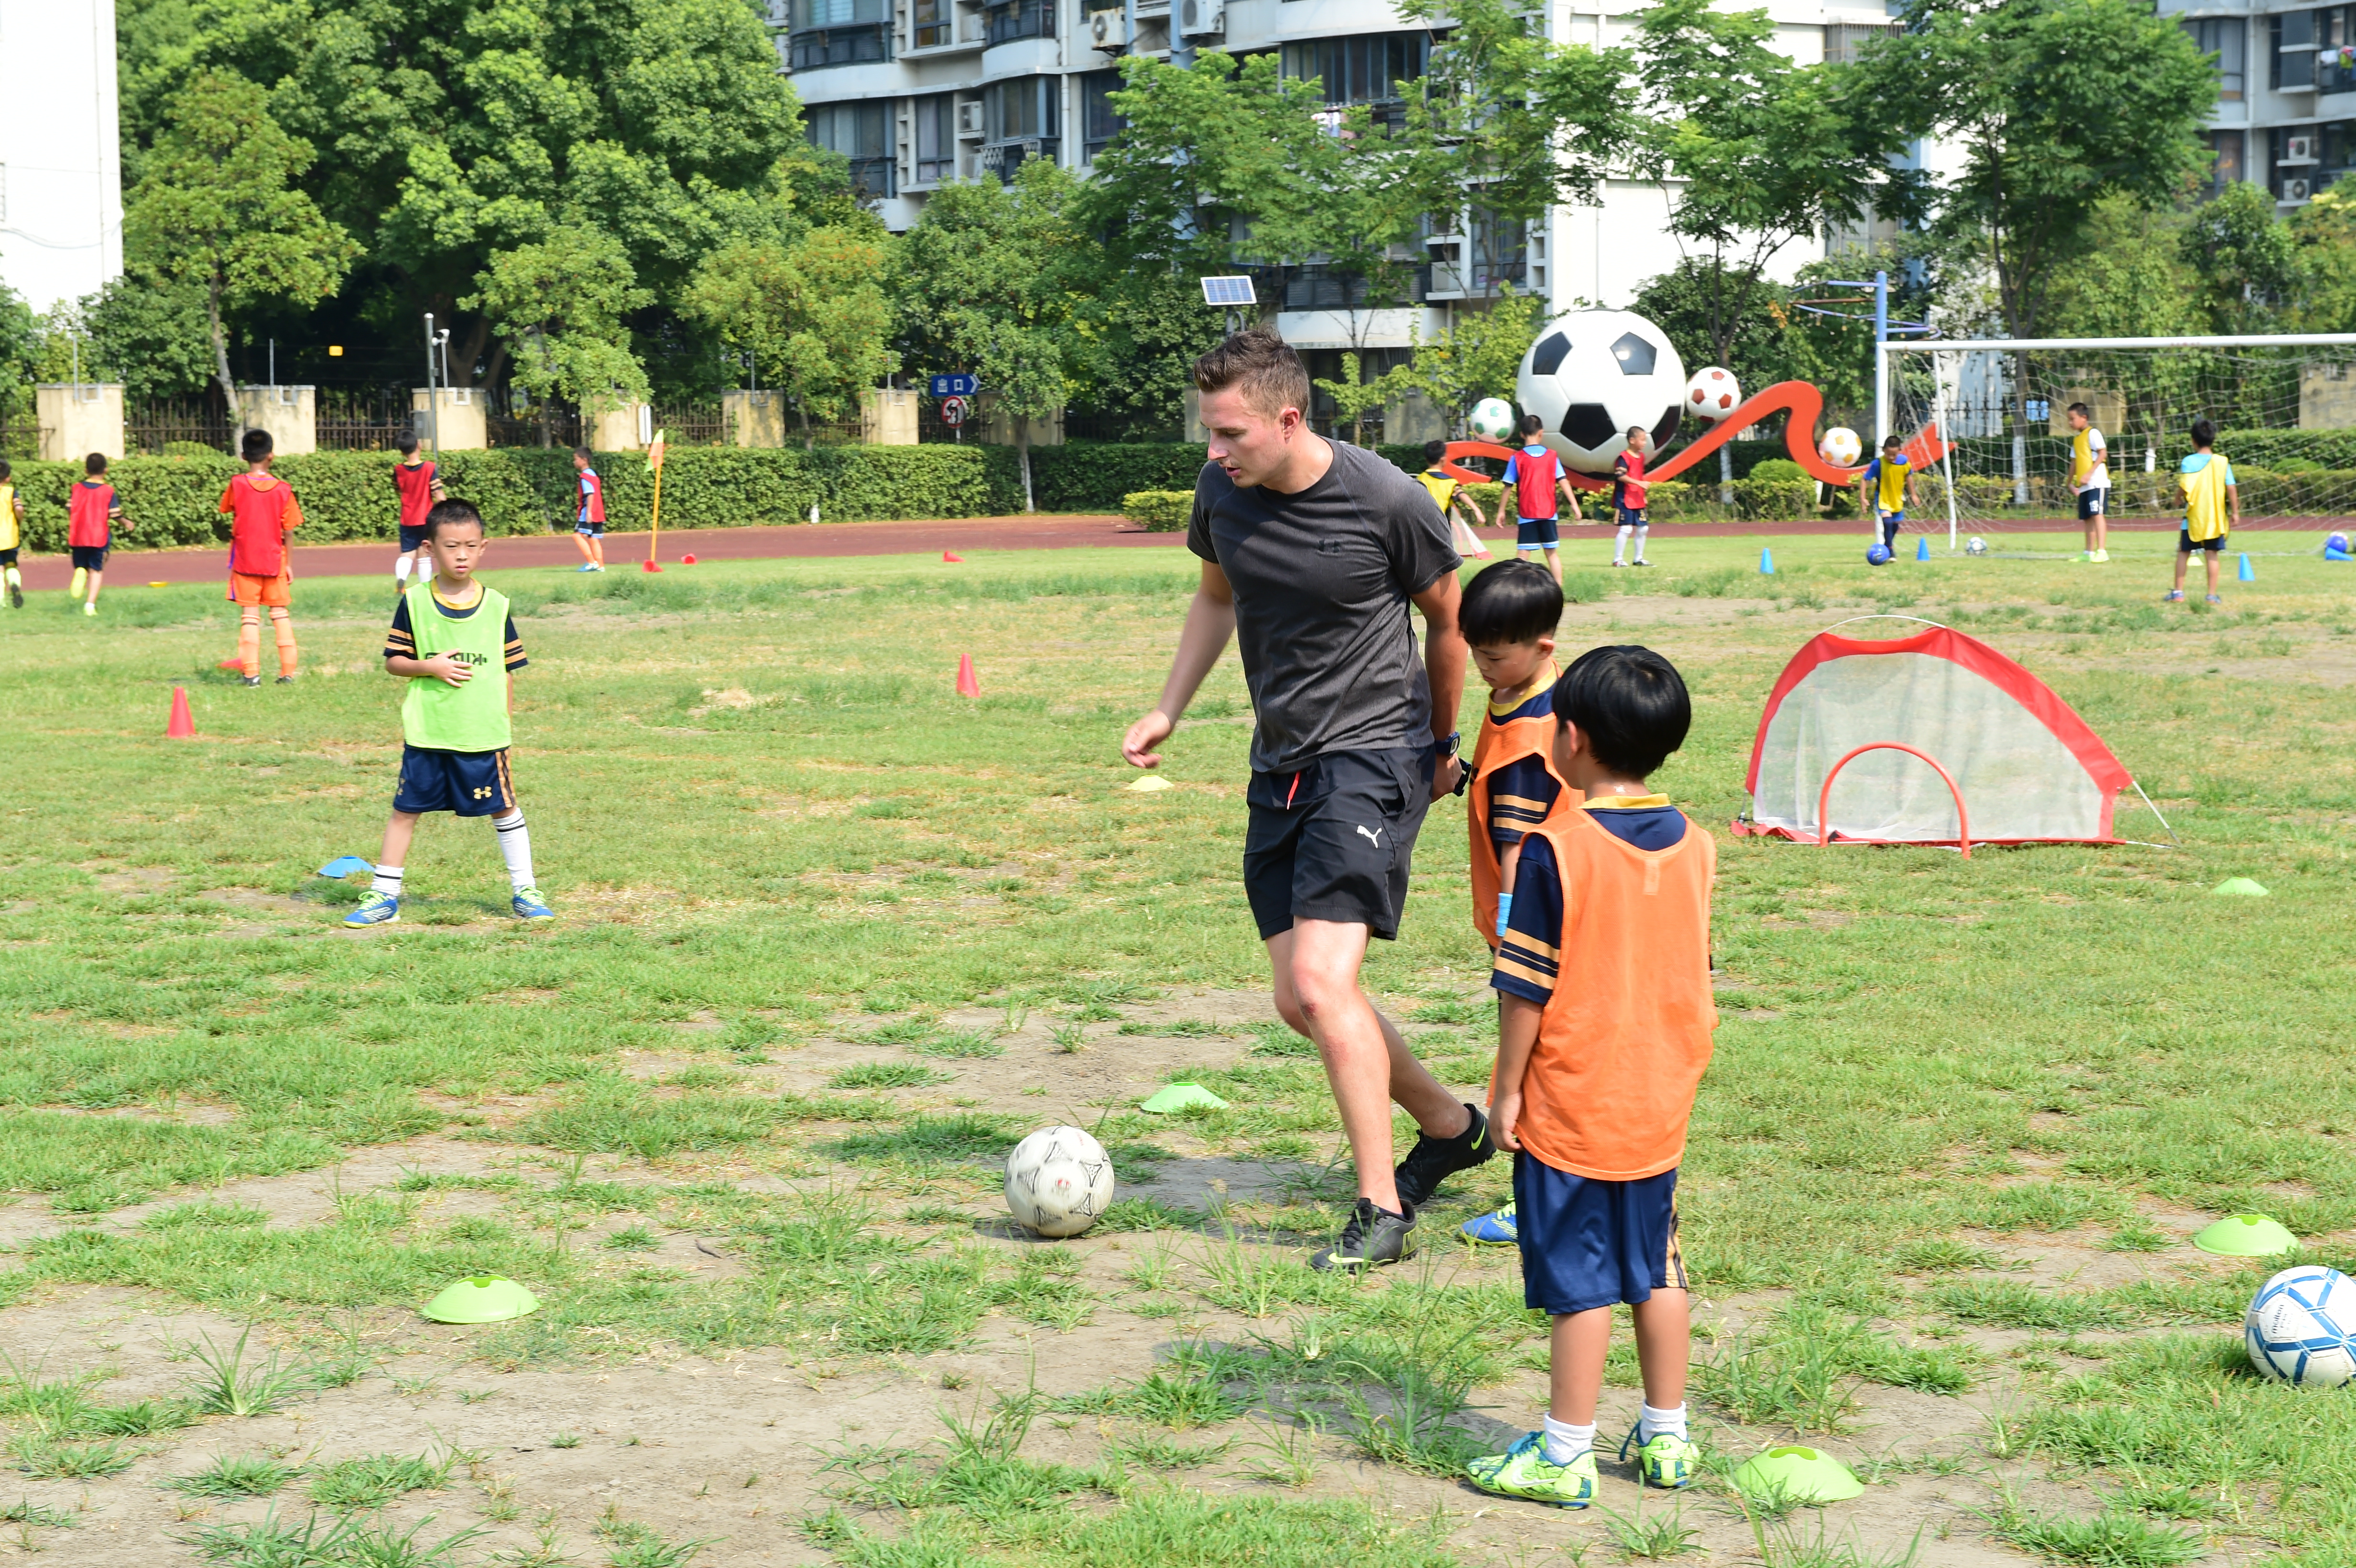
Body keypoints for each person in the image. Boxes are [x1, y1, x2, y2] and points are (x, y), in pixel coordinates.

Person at [1121, 328, 1485, 1272]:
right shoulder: (1222, 495)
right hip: (1278, 762)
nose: (1214, 452)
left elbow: (1447, 622)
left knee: (1324, 983)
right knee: (1301, 997)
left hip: (1374, 753)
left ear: (1289, 418)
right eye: (1209, 432)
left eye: (1231, 432)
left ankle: (1380, 1210)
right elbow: (1215, 599)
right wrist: (1169, 707)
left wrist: (1440, 745)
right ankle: (1451, 1125)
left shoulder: (1386, 499)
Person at [1464, 645, 1715, 1509]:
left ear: (1569, 739)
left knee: (1581, 1282)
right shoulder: (1697, 845)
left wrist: (1505, 1092)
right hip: (1659, 1096)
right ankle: (1666, 1438)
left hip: (1574, 1100)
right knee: (1657, 1267)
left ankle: (1563, 1454)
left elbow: (1523, 988)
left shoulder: (1552, 849)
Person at [346, 499, 554, 929]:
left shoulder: (497, 605)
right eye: (452, 546)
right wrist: (430, 665)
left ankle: (525, 890)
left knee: (506, 809)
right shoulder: (415, 602)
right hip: (429, 732)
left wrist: (505, 728)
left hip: (483, 736)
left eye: (471, 546)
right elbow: (393, 662)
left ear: (483, 548)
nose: (462, 555)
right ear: (429, 549)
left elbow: (509, 671)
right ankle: (384, 896)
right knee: (405, 811)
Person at [1455, 559, 1579, 1250]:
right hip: (1545, 919)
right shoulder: (1520, 695)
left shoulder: (1535, 739)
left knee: (1537, 1061)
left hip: (1536, 926)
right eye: (1475, 649)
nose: (1480, 665)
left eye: (1494, 655)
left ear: (1543, 648)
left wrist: (1511, 934)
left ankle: (1539, 1199)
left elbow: (1519, 846)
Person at [220, 428, 305, 686]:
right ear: (272, 456)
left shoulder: (237, 484)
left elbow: (227, 509)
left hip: (246, 562)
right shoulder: (283, 490)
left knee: (250, 617)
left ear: (244, 455)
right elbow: (289, 530)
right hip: (275, 561)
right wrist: (289, 564)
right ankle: (287, 673)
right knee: (280, 616)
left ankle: (251, 675)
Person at [1491, 415, 1579, 586]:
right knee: (1552, 554)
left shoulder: (1517, 458)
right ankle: (1558, 590)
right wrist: (1575, 505)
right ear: (1541, 433)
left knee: (1522, 556)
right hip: (1548, 513)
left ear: (1522, 434)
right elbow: (1563, 481)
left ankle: (1517, 590)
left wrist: (1501, 511)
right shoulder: (1552, 456)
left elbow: (1507, 486)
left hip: (1527, 514)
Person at [2169, 418, 2238, 606]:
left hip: (2193, 517)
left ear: (2194, 440)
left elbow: (2185, 486)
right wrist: (2236, 512)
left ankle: (2178, 593)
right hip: (2214, 518)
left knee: (2184, 552)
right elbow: (2231, 488)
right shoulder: (2222, 462)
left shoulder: (2188, 462)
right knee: (2212, 554)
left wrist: (2176, 499)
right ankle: (2211, 596)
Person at [66, 453, 124, 617]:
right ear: (106, 470)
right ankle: (90, 605)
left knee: (82, 564)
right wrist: (126, 522)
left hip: (78, 535)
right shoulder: (108, 491)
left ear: (86, 470)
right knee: (97, 570)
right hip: (98, 536)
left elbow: (70, 508)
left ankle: (80, 571)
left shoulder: (76, 488)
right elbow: (115, 514)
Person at [1416, 439, 1492, 561]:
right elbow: (1461, 495)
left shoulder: (1420, 479)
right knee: (1443, 558)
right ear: (1443, 459)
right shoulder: (1450, 482)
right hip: (1442, 527)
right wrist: (1477, 510)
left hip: (1422, 525)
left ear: (1426, 458)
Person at [391, 431, 447, 593]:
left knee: (407, 553)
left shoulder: (399, 470)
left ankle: (401, 581)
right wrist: (446, 509)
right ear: (419, 446)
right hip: (426, 517)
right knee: (424, 555)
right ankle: (425, 588)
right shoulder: (429, 468)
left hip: (407, 518)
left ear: (402, 452)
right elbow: (437, 492)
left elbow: (398, 489)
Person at [2067, 403, 2109, 563]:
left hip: (2097, 482)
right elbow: (2074, 462)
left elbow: (2102, 454)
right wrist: (2070, 482)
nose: (2070, 423)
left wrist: (2089, 473)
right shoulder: (2077, 439)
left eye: (2073, 419)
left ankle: (2102, 551)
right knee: (2088, 518)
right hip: (2085, 485)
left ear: (2084, 418)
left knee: (2097, 514)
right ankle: (2088, 553)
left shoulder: (2093, 433)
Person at [1860, 435, 1916, 555]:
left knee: (1895, 526)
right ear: (1883, 450)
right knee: (1888, 522)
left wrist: (1914, 495)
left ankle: (1887, 545)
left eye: (1894, 455)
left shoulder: (1904, 462)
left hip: (1897, 499)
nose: (1891, 457)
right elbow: (1865, 479)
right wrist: (1863, 498)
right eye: (1888, 454)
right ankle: (1890, 550)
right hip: (1883, 498)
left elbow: (1909, 477)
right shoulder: (1878, 464)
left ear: (1900, 451)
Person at [1611, 428, 1652, 568]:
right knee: (1626, 529)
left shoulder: (1641, 457)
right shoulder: (1623, 458)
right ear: (1632, 440)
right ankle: (1618, 559)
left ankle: (1638, 558)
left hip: (1638, 498)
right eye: (1642, 439)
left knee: (1643, 529)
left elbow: (1639, 475)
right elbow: (1620, 476)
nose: (1644, 443)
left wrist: (1643, 494)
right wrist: (1639, 483)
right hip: (1625, 498)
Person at [571, 446, 606, 571]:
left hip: (589, 511)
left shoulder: (585, 476)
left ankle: (592, 562)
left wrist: (588, 513)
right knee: (594, 538)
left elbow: (590, 494)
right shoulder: (593, 474)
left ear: (584, 460)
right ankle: (601, 565)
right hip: (599, 512)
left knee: (577, 536)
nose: (574, 462)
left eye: (576, 459)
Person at [0, 460, 25, 609]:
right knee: (11, 566)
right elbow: (19, 508)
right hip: (10, 536)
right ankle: (15, 585)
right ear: (8, 478)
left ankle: (1, 600)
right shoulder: (11, 491)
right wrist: (18, 521)